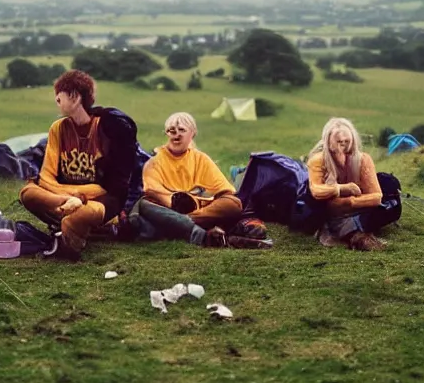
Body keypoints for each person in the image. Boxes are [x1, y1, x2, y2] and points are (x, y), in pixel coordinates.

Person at [19, 70, 137, 260]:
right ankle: (77, 226)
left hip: (98, 200)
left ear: (74, 97)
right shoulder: (58, 128)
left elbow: (107, 187)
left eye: (59, 99)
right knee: (28, 193)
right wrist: (69, 198)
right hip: (65, 199)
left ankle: (76, 230)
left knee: (79, 216)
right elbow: (46, 176)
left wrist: (80, 199)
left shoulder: (105, 128)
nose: (57, 104)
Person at [128, 112, 267, 248]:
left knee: (233, 204)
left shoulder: (201, 159)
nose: (177, 134)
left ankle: (184, 224)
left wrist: (191, 213)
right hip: (166, 210)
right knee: (145, 205)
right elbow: (152, 191)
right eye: (171, 131)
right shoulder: (154, 161)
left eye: (182, 130)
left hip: (199, 211)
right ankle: (204, 235)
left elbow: (226, 192)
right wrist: (173, 202)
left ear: (192, 133)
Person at [306, 117, 398, 251]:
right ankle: (352, 233)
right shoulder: (318, 160)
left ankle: (353, 233)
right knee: (313, 206)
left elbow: (376, 197)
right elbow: (316, 190)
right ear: (328, 141)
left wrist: (349, 202)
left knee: (390, 201)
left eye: (346, 141)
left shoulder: (363, 159)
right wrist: (343, 188)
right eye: (339, 142)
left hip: (356, 209)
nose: (343, 144)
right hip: (329, 210)